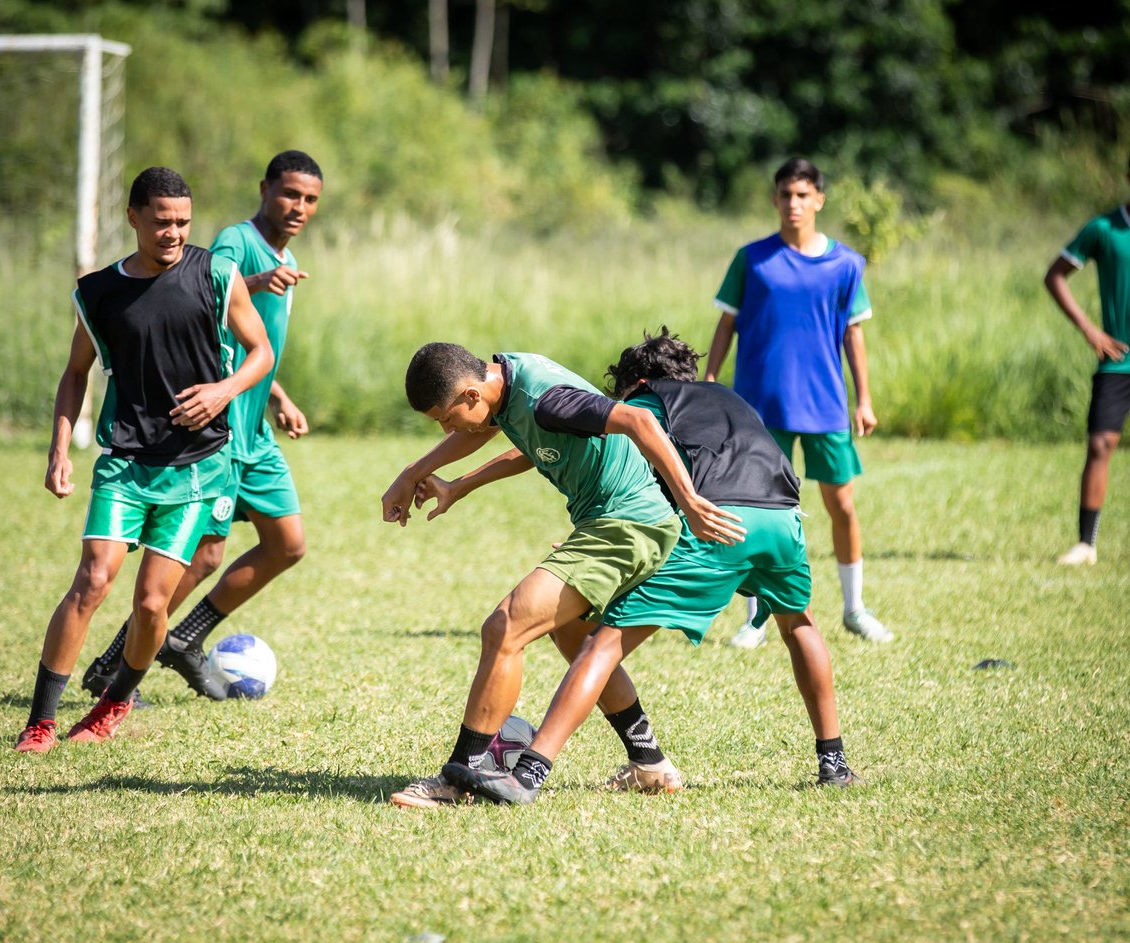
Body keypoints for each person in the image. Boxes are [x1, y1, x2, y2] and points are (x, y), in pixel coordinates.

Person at [445, 330, 856, 804]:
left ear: (637, 381)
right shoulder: (724, 396)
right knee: (799, 625)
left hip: (715, 516)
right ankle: (834, 762)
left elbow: (640, 462)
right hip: (783, 518)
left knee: (599, 641)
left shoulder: (648, 401)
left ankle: (528, 774)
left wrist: (607, 531)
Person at [381, 344, 745, 807]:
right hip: (612, 521)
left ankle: (459, 777)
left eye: (445, 419)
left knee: (505, 626)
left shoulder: (544, 397)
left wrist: (690, 501)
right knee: (573, 633)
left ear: (472, 394)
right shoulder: (507, 382)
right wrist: (434, 477)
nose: (446, 430)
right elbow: (513, 437)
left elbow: (639, 421)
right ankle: (649, 762)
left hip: (629, 522)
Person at [13, 167, 273, 753]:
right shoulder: (99, 293)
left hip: (196, 466)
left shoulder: (217, 274)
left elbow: (261, 351)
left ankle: (114, 703)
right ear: (133, 218)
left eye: (182, 221)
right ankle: (40, 721)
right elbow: (76, 373)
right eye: (161, 222)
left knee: (153, 601)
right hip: (125, 461)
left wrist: (222, 391)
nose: (174, 233)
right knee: (92, 580)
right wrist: (59, 448)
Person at [82, 151, 324, 699]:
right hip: (221, 429)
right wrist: (261, 278)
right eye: (289, 193)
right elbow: (202, 295)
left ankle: (185, 637)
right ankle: (113, 665)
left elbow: (242, 345)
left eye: (310, 199)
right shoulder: (240, 242)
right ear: (264, 189)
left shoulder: (285, 250)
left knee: (287, 544)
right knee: (204, 554)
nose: (299, 207)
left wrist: (277, 395)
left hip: (253, 426)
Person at [704, 156, 892, 647]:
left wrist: (864, 399)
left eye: (803, 195)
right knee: (759, 513)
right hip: (760, 408)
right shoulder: (752, 259)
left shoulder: (847, 264)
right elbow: (726, 324)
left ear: (819, 200)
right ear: (775, 199)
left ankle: (854, 608)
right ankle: (755, 619)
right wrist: (707, 380)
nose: (794, 204)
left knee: (842, 505)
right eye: (786, 194)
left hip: (826, 405)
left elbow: (854, 335)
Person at [1044, 157, 1130, 566]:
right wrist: (1090, 329)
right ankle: (1086, 544)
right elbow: (1055, 274)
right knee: (1100, 443)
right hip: (1119, 359)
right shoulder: (1104, 228)